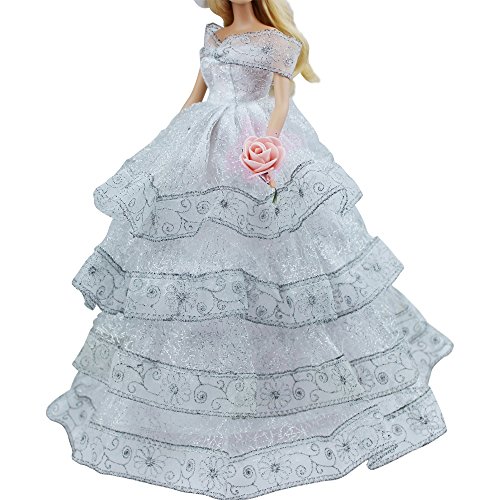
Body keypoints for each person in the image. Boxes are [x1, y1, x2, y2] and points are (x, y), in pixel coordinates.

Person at [46, 1, 454, 498]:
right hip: (202, 145)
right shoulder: (213, 37)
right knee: (192, 257)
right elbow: (194, 97)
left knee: (275, 257)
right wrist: (168, 148)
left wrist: (268, 146)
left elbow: (282, 100)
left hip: (251, 144)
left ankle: (286, 375)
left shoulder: (276, 41)